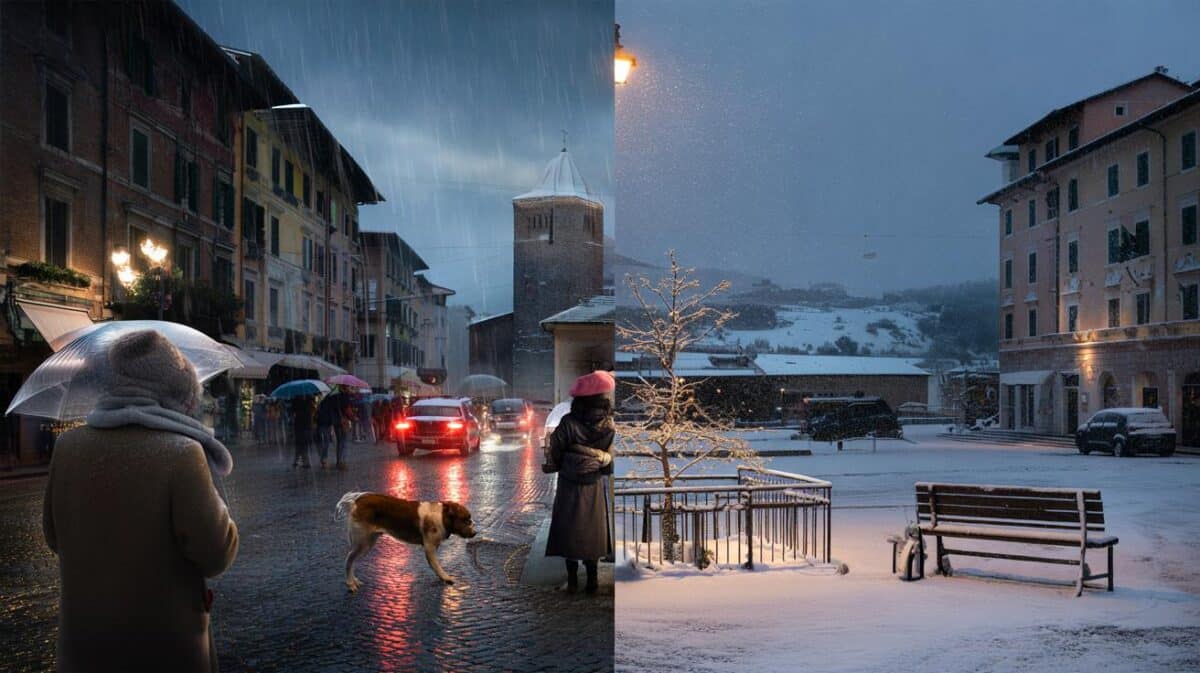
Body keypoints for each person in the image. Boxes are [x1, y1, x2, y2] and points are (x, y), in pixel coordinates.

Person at [42, 329, 238, 672]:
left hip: (85, 647)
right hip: (162, 648)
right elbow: (216, 554)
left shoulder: (67, 447)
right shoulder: (182, 453)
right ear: (175, 388)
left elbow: (54, 537)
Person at [546, 370, 616, 594]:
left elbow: (555, 449)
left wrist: (559, 464)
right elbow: (610, 453)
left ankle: (573, 580)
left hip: (569, 482)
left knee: (569, 529)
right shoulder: (608, 424)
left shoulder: (567, 422)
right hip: (592, 482)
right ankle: (593, 579)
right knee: (591, 529)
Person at [317, 387, 351, 469]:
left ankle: (337, 461)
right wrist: (353, 417)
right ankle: (340, 462)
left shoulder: (332, 398)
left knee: (339, 441)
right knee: (343, 442)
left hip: (335, 422)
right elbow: (347, 410)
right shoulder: (344, 396)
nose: (349, 388)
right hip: (342, 422)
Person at [291, 395, 315, 468]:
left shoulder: (297, 400)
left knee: (300, 444)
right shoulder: (308, 401)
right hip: (304, 425)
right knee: (303, 444)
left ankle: (297, 461)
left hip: (301, 425)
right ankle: (305, 462)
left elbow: (293, 411)